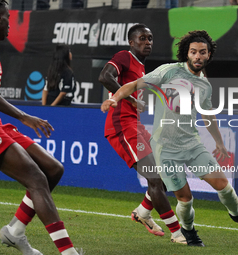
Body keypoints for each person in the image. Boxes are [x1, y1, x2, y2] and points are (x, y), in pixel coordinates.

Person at [101, 30, 238, 246]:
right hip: (166, 149)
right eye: (194, 52)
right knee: (185, 199)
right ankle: (188, 232)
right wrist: (116, 99)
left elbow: (208, 115)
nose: (198, 56)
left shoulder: (204, 85)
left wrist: (219, 143)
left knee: (224, 185)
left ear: (208, 55)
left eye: (202, 52)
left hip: (192, 144)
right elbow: (133, 85)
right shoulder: (169, 71)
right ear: (187, 53)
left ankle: (237, 214)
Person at [0, 1, 80, 254]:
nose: (11, 24)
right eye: (9, 18)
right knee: (36, 178)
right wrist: (23, 116)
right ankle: (68, 252)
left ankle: (14, 231)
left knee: (53, 170)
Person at [99, 23, 187, 245]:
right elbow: (105, 76)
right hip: (121, 126)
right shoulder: (124, 56)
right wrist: (130, 99)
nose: (147, 42)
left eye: (150, 38)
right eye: (142, 38)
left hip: (135, 125)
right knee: (155, 178)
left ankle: (142, 212)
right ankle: (176, 232)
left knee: (164, 174)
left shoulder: (140, 68)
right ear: (131, 42)